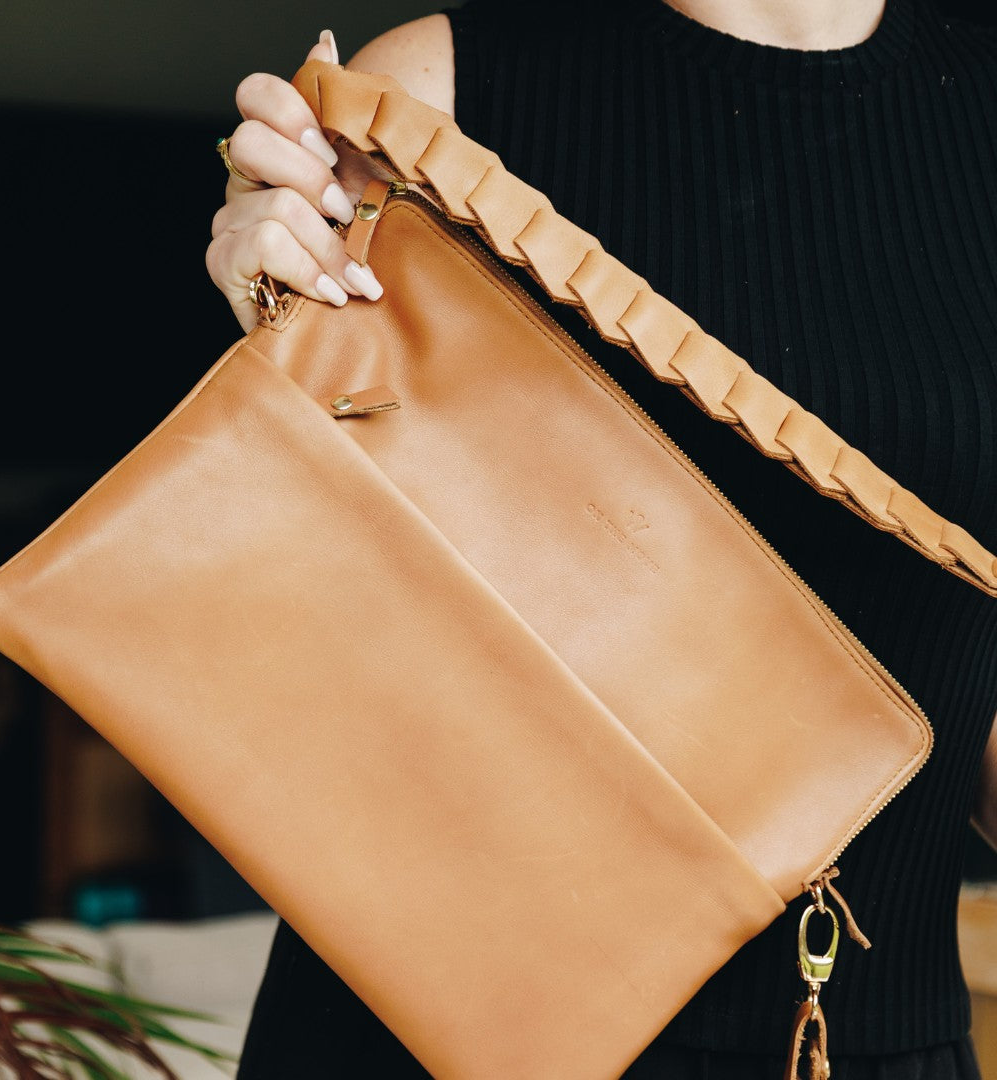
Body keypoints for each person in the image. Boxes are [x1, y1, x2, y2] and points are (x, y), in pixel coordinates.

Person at [206, 2, 997, 1076]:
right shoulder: (437, 90)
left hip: (840, 1041)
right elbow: (308, 628)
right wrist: (279, 344)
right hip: (428, 1031)